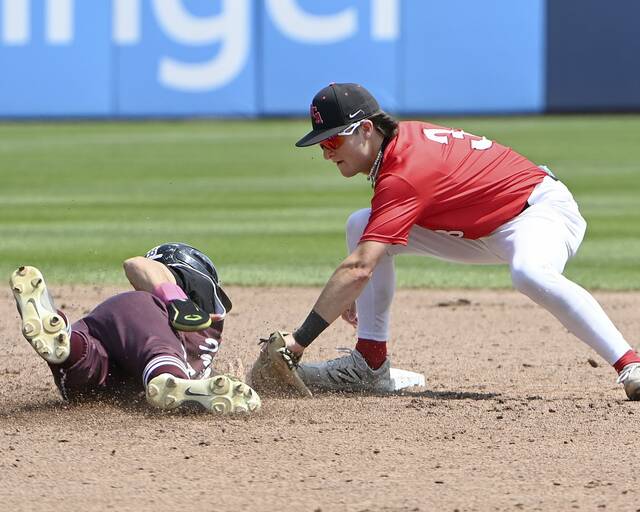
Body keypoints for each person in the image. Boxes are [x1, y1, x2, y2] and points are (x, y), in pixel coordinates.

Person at [277, 82, 640, 400]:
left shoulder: (405, 171)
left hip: (537, 213)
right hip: (480, 228)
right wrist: (354, 290)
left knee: (529, 273)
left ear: (366, 129)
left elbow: (359, 267)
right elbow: (364, 260)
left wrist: (296, 344)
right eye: (321, 144)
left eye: (333, 139)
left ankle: (630, 363)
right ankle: (369, 364)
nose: (326, 152)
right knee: (362, 224)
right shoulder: (396, 148)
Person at [10, 248, 260, 414]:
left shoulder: (195, 357)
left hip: (112, 346)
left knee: (87, 371)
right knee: (162, 363)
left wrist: (225, 382)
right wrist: (175, 299)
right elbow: (137, 264)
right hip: (141, 314)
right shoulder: (178, 293)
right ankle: (167, 377)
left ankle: (64, 340)